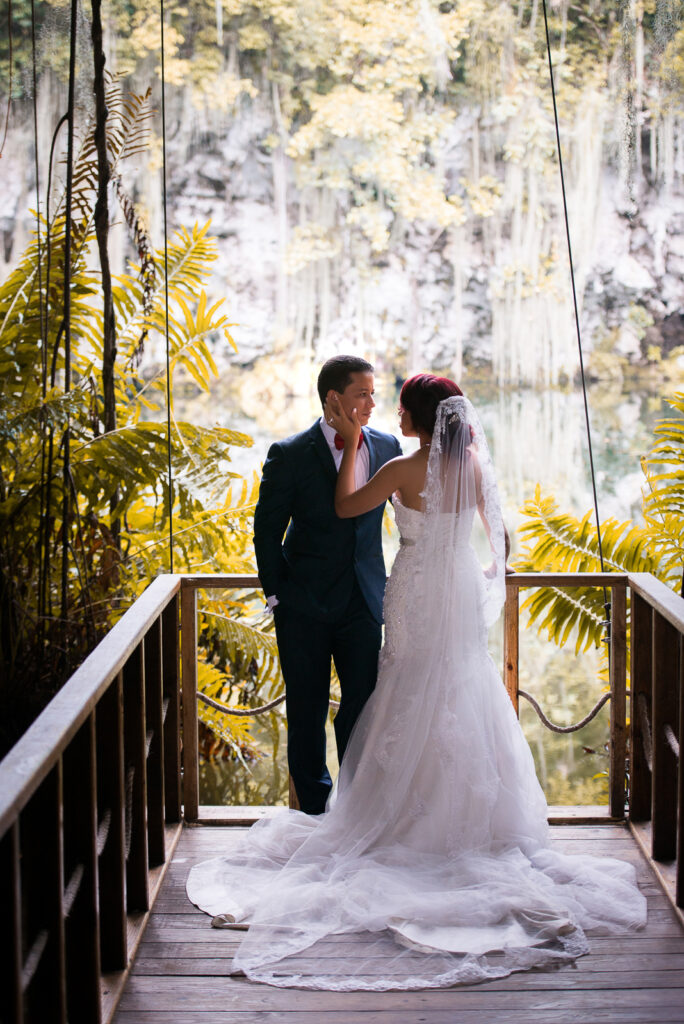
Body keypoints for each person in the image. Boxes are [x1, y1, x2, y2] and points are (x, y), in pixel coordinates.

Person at [187, 375, 646, 991]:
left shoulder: (403, 469)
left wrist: (352, 446)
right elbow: (503, 538)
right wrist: (487, 570)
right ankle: (468, 826)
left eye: (400, 406)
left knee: (404, 687)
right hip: (454, 587)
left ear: (422, 418)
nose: (391, 411)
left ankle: (396, 818)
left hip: (411, 591)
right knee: (463, 686)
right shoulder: (476, 467)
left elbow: (348, 505)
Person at [252, 355, 401, 814]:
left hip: (363, 603)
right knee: (306, 713)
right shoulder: (290, 454)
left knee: (362, 711)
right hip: (303, 607)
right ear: (334, 399)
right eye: (363, 393)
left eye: (375, 392)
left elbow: (417, 506)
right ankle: (315, 815)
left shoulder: (387, 446)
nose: (373, 402)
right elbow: (266, 531)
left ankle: (356, 809)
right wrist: (278, 596)